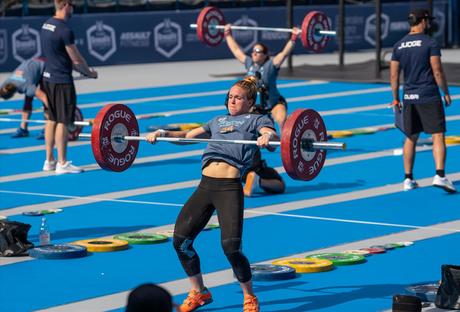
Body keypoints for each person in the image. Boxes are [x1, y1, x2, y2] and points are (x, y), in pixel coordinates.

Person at [146, 77, 277, 312]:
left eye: (238, 97)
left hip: (229, 188)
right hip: (205, 186)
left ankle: (249, 297)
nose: (232, 101)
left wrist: (267, 137)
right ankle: (199, 292)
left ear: (250, 102)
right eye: (230, 97)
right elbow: (186, 138)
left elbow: (271, 135)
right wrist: (163, 132)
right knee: (181, 242)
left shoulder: (257, 120)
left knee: (231, 248)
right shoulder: (216, 121)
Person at [224, 24, 296, 197]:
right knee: (250, 130)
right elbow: (236, 51)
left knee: (281, 120)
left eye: (258, 52)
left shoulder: (271, 65)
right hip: (256, 108)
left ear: (265, 55)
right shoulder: (249, 63)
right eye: (254, 51)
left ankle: (288, 144)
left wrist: (294, 38)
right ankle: (253, 165)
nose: (255, 54)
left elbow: (284, 53)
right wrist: (228, 34)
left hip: (273, 102)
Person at [390, 8, 456, 193]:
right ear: (422, 21)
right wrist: (446, 92)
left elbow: (394, 76)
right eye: (428, 20)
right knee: (437, 135)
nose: (429, 23)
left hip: (409, 97)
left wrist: (396, 100)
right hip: (428, 95)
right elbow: (437, 70)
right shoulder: (430, 42)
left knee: (410, 138)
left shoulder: (398, 45)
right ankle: (440, 175)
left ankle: (408, 179)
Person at [40, 0, 97, 174]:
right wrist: (89, 72)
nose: (73, 8)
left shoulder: (46, 25)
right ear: (65, 5)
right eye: (72, 4)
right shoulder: (65, 30)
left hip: (47, 78)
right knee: (63, 122)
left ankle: (49, 160)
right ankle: (62, 163)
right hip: (62, 81)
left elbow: (60, 55)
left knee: (51, 119)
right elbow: (76, 59)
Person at [0, 58, 48, 138]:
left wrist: (56, 114)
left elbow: (44, 98)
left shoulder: (26, 86)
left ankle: (48, 127)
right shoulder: (4, 85)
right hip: (30, 68)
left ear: (12, 95)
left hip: (43, 66)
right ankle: (23, 129)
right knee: (28, 100)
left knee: (45, 101)